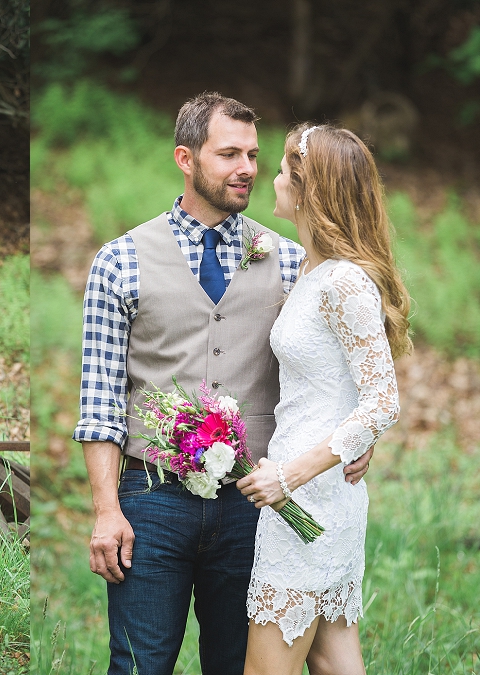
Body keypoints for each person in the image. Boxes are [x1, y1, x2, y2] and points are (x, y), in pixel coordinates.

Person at [73, 93, 372, 675]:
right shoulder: (120, 261)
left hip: (255, 504)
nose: (248, 169)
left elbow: (333, 369)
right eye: (229, 153)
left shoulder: (292, 261)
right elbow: (99, 401)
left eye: (255, 155)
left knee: (237, 665)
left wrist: (359, 436)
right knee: (139, 664)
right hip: (150, 499)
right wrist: (107, 508)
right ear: (185, 158)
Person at [237, 124, 410, 675]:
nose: (275, 178)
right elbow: (341, 393)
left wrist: (291, 476)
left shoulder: (345, 282)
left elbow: (382, 401)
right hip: (309, 493)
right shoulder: (312, 271)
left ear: (312, 190)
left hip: (305, 497)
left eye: (286, 172)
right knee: (337, 662)